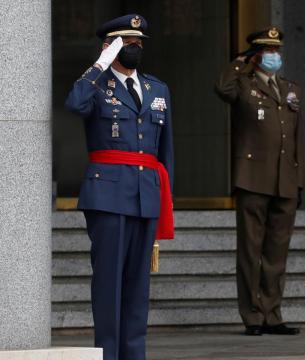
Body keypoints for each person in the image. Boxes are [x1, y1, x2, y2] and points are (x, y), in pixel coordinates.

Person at [65, 14, 174, 360]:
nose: (134, 48)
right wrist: (100, 65)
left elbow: (165, 152)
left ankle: (133, 355)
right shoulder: (96, 86)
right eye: (126, 43)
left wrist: (161, 199)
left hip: (145, 195)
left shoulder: (158, 89)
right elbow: (74, 104)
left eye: (138, 43)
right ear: (109, 47)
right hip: (108, 195)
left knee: (138, 288)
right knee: (109, 285)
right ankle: (107, 354)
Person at [215, 27, 302, 336]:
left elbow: (294, 138)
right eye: (267, 51)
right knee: (251, 251)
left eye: (277, 51)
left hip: (285, 181)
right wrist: (240, 62)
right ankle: (252, 316)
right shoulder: (242, 85)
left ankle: (273, 313)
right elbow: (222, 88)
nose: (274, 56)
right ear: (256, 55)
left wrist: (297, 179)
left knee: (277, 252)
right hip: (253, 179)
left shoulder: (291, 89)